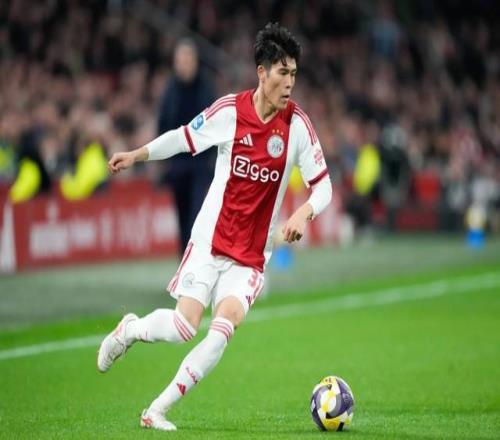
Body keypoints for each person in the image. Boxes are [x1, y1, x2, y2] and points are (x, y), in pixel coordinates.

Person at [97, 23, 332, 432]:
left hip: (251, 256)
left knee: (223, 330)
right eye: (282, 73)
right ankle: (130, 329)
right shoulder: (230, 112)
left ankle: (156, 410)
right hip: (210, 240)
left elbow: (323, 186)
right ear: (262, 72)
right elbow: (183, 138)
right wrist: (137, 155)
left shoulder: (297, 126)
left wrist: (304, 213)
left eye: (294, 74)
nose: (289, 83)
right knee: (182, 327)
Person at [157, 38, 216, 255]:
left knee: (197, 214)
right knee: (182, 215)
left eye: (187, 60)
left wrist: (212, 159)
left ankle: (197, 259)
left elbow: (215, 124)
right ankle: (184, 259)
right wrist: (163, 160)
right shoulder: (170, 91)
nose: (184, 65)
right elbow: (163, 125)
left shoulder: (206, 88)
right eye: (180, 60)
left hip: (200, 163)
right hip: (177, 164)